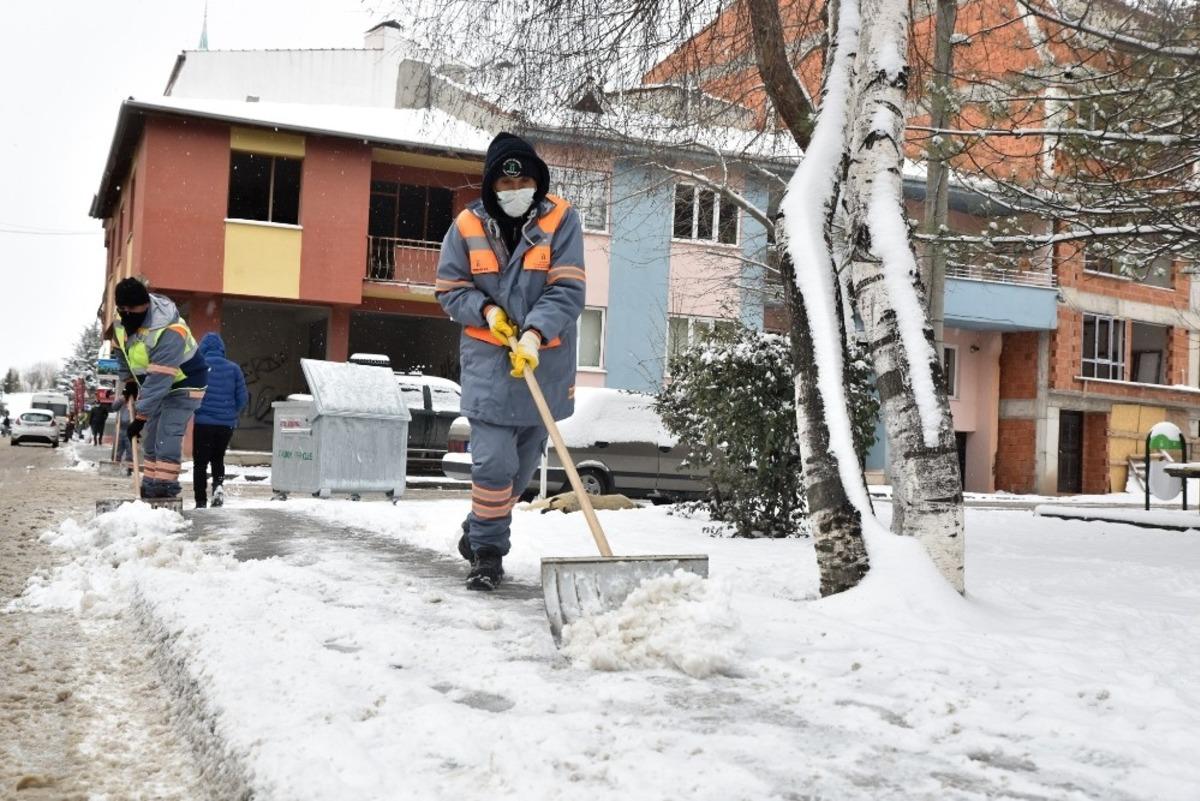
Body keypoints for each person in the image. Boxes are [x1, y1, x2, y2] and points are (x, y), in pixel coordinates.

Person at [434, 132, 586, 590]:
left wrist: (535, 334)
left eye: (521, 182)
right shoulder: (466, 227)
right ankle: (487, 553)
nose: (513, 191)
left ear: (537, 181)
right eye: (502, 184)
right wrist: (488, 311)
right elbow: (449, 289)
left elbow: (568, 288)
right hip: (489, 368)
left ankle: (477, 528)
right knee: (493, 466)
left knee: (517, 474)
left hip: (544, 368)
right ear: (490, 187)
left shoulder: (562, 219)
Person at [109, 277, 208, 499]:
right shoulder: (120, 323)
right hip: (156, 382)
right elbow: (121, 353)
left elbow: (160, 380)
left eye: (135, 309)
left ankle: (165, 490)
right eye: (125, 309)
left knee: (167, 433)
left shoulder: (170, 329)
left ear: (145, 305)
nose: (128, 314)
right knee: (152, 436)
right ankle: (151, 484)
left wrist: (141, 417)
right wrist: (130, 383)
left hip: (185, 382)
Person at [191, 332, 247, 509]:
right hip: (225, 425)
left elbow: (191, 394)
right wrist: (230, 412)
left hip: (203, 423)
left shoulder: (199, 367)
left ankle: (200, 500)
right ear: (222, 349)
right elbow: (243, 398)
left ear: (203, 348)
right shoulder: (234, 368)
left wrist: (199, 408)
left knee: (200, 463)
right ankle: (218, 486)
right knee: (218, 458)